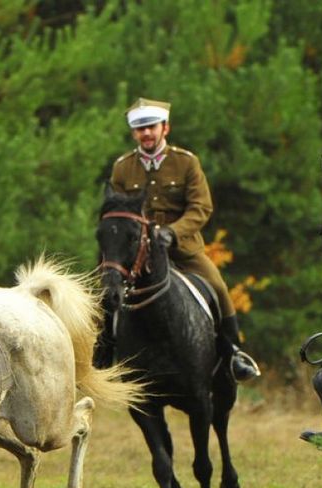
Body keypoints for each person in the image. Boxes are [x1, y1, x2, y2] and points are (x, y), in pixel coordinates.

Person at [104, 97, 260, 382]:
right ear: (134, 133)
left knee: (218, 286)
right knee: (103, 289)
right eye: (140, 129)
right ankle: (102, 358)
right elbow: (116, 210)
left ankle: (233, 354)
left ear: (166, 128)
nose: (147, 134)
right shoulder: (122, 168)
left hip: (181, 248)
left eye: (151, 127)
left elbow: (201, 207)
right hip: (134, 253)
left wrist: (173, 232)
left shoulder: (186, 162)